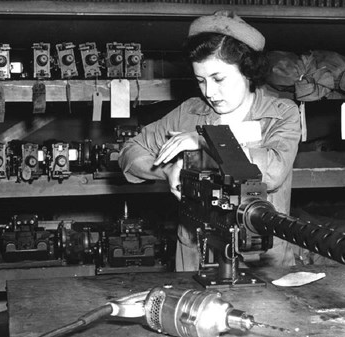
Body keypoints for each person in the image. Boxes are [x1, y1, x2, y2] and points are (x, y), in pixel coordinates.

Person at [118, 10, 302, 271]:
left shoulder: (281, 114)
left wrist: (204, 141)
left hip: (260, 259)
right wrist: (168, 170)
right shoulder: (190, 112)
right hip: (197, 257)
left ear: (248, 71)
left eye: (218, 79)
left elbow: (273, 173)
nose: (209, 92)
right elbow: (129, 150)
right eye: (201, 81)